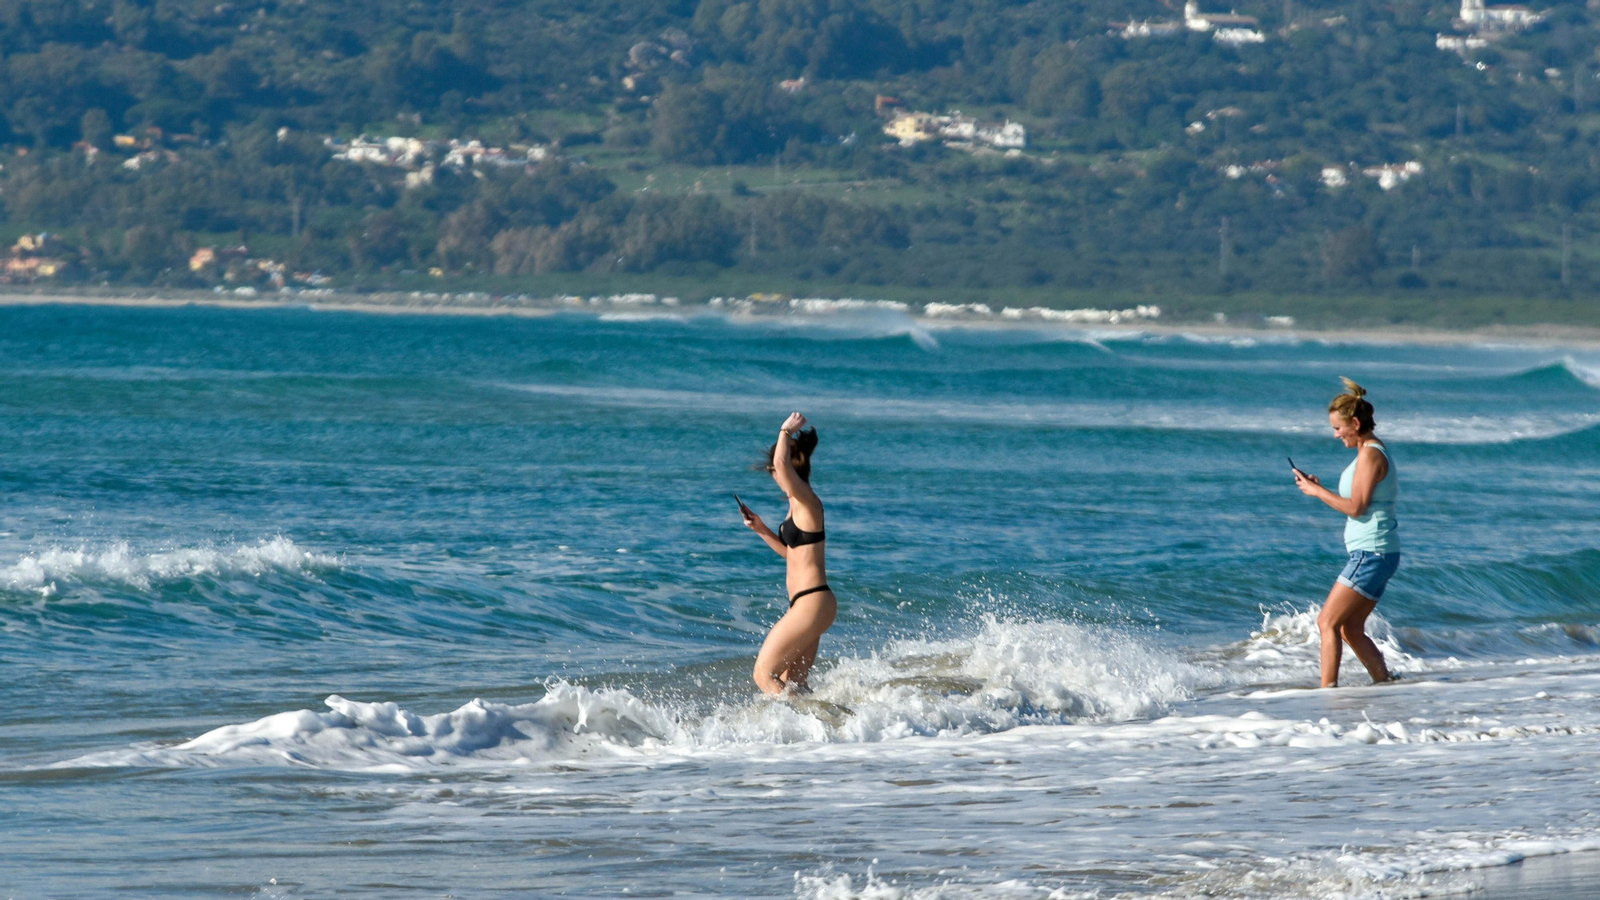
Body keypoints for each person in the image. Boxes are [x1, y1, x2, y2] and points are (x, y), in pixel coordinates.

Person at [1293, 378, 1400, 688]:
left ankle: (1327, 692)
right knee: (1349, 628)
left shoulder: (1370, 454)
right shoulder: (1369, 452)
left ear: (1355, 423)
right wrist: (1320, 488)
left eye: (1338, 428)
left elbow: (1356, 507)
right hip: (1379, 552)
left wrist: (1316, 492)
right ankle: (1384, 682)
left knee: (1327, 622)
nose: (1335, 434)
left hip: (1372, 552)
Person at [739, 412, 838, 695]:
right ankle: (822, 731)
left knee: (763, 675)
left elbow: (782, 464)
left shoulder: (807, 500)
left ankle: (802, 728)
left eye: (774, 472)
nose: (775, 477)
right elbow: (793, 555)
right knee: (794, 685)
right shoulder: (796, 507)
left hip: (812, 602)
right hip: (809, 605)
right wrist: (761, 529)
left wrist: (785, 431)